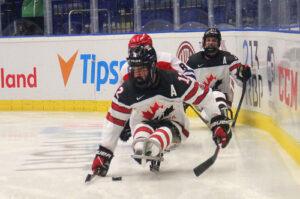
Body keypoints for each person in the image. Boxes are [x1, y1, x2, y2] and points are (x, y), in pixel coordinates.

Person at [91, 44, 232, 176]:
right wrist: (104, 153)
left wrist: (217, 121)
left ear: (153, 66)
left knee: (160, 136)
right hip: (143, 122)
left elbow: (204, 96)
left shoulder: (173, 80)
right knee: (140, 145)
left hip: (174, 123)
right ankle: (147, 144)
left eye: (142, 69)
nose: (137, 74)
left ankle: (156, 144)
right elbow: (114, 121)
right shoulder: (127, 90)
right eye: (134, 70)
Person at [119, 33, 196, 141]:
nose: (135, 54)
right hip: (144, 113)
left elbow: (188, 73)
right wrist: (124, 123)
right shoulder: (126, 69)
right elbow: (124, 98)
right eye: (132, 49)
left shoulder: (167, 59)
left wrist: (185, 93)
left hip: (169, 108)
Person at [186, 28, 251, 122]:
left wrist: (244, 74)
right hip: (202, 101)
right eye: (208, 40)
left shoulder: (228, 58)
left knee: (217, 95)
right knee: (210, 106)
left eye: (214, 40)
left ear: (219, 43)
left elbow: (240, 82)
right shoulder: (193, 61)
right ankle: (217, 116)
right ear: (204, 42)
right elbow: (186, 82)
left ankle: (217, 115)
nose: (211, 43)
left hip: (224, 99)